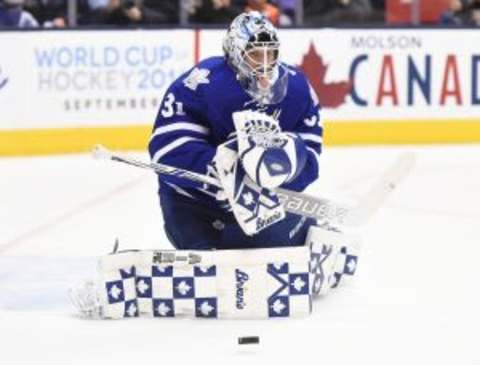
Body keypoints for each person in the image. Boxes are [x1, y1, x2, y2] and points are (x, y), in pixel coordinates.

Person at [148, 11, 323, 250]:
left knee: (269, 251)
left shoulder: (297, 89)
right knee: (205, 262)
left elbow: (310, 154)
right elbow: (167, 148)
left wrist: (281, 172)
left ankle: (301, 230)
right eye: (254, 55)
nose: (264, 64)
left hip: (261, 207)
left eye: (269, 53)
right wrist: (219, 171)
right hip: (193, 202)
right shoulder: (199, 84)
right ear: (235, 53)